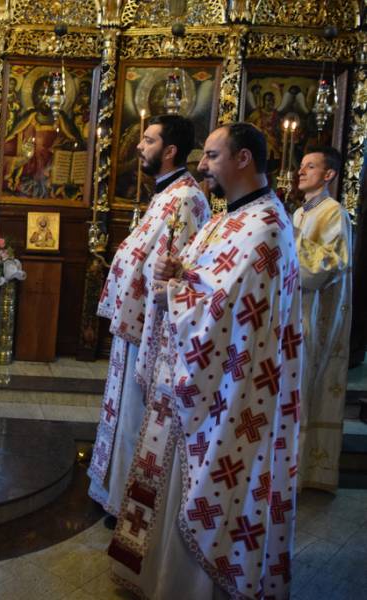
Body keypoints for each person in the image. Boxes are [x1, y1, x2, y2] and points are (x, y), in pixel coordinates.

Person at [108, 123, 302, 598]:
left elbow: (228, 308)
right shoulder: (225, 217)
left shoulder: (267, 227)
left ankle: (188, 586)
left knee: (206, 487)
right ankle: (156, 576)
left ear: (244, 159)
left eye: (213, 156)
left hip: (227, 391)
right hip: (191, 378)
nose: (202, 165)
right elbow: (207, 279)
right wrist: (177, 272)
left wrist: (175, 291)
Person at [89, 114, 210, 523]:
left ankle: (130, 505)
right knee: (124, 414)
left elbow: (179, 270)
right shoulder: (166, 194)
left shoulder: (187, 198)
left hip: (153, 330)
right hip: (135, 325)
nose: (140, 146)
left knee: (137, 417)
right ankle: (115, 493)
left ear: (170, 150)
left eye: (148, 140)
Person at [293, 146, 352, 491]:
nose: (301, 171)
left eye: (310, 166)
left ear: (328, 174)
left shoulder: (333, 213)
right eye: (301, 166)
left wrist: (291, 241)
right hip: (295, 313)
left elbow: (327, 266)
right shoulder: (299, 213)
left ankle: (300, 473)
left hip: (314, 316)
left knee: (305, 387)